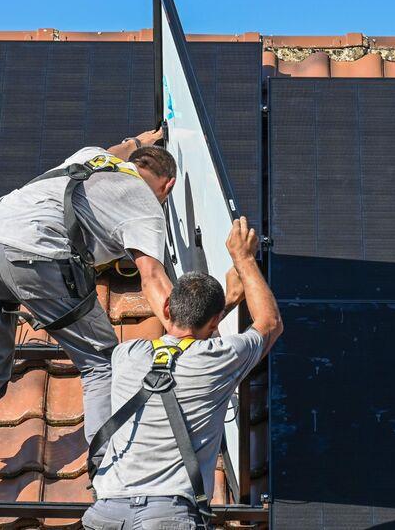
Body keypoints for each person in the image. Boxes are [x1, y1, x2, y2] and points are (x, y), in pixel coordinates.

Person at [0, 129, 177, 500]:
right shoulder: (146, 204)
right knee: (101, 361)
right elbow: (152, 276)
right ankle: (107, 464)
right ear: (166, 187)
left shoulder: (91, 157)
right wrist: (185, 338)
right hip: (36, 253)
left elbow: (116, 149)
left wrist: (140, 141)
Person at [83, 217, 283, 529]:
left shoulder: (126, 355)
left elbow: (180, 338)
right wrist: (243, 258)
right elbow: (269, 324)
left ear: (166, 311)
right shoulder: (219, 359)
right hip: (167, 513)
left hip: (108, 511)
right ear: (215, 322)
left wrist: (223, 305)